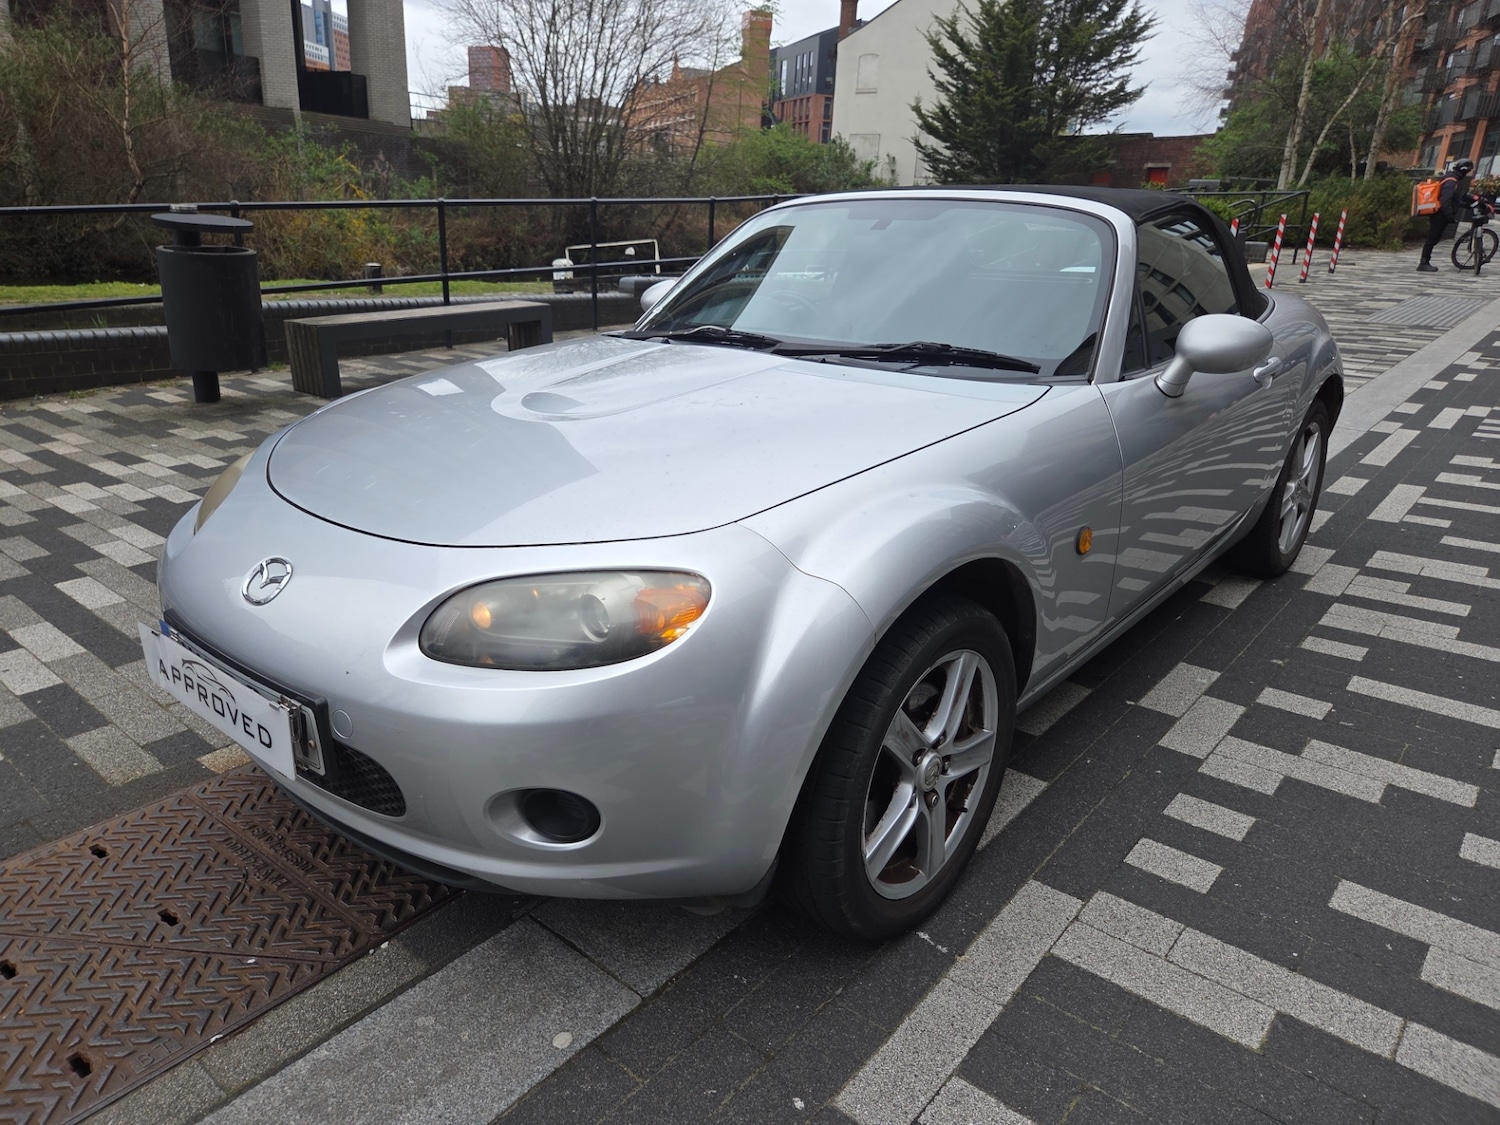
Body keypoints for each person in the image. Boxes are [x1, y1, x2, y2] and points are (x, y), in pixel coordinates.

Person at [1418, 158, 1475, 272]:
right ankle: (1423, 263)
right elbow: (1445, 200)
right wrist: (1450, 216)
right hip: (1440, 214)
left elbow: (1454, 199)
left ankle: (1424, 261)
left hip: (1440, 212)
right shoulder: (1451, 181)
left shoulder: (1450, 178)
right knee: (1432, 238)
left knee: (1433, 237)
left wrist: (1465, 205)